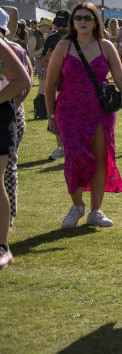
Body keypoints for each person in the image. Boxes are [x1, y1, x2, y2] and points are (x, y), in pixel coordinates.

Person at [44, 3, 122, 230]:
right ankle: (77, 206)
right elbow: (50, 84)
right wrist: (51, 115)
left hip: (100, 111)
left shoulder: (105, 46)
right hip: (69, 111)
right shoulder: (64, 46)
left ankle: (96, 210)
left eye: (88, 17)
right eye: (78, 18)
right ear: (72, 22)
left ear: (96, 21)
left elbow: (121, 78)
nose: (82, 21)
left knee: (100, 158)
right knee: (74, 158)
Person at [0, 16, 30, 269]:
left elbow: (23, 81)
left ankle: (3, 246)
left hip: (1, 116)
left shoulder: (2, 46)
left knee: (1, 178)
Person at [40, 10, 70, 160]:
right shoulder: (52, 39)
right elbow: (43, 61)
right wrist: (49, 56)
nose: (60, 28)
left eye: (63, 25)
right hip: (58, 85)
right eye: (58, 25)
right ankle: (61, 147)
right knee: (58, 118)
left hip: (76, 85)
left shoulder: (80, 39)